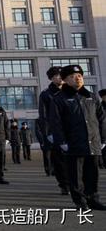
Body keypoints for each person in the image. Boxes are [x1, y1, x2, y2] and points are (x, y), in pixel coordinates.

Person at [49, 65, 106, 210]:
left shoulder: (91, 96)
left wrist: (103, 139)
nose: (78, 78)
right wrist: (61, 142)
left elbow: (102, 119)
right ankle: (80, 201)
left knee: (92, 174)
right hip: (73, 143)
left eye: (80, 75)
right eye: (73, 76)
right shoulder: (59, 99)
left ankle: (93, 199)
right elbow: (56, 123)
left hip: (93, 142)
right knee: (76, 175)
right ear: (66, 80)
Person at [39, 66, 69, 195]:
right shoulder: (46, 94)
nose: (60, 78)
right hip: (55, 132)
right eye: (56, 76)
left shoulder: (71, 91)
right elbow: (43, 115)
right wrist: (48, 133)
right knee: (59, 160)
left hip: (72, 130)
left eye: (61, 75)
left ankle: (76, 184)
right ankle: (64, 184)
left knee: (75, 160)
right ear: (51, 78)